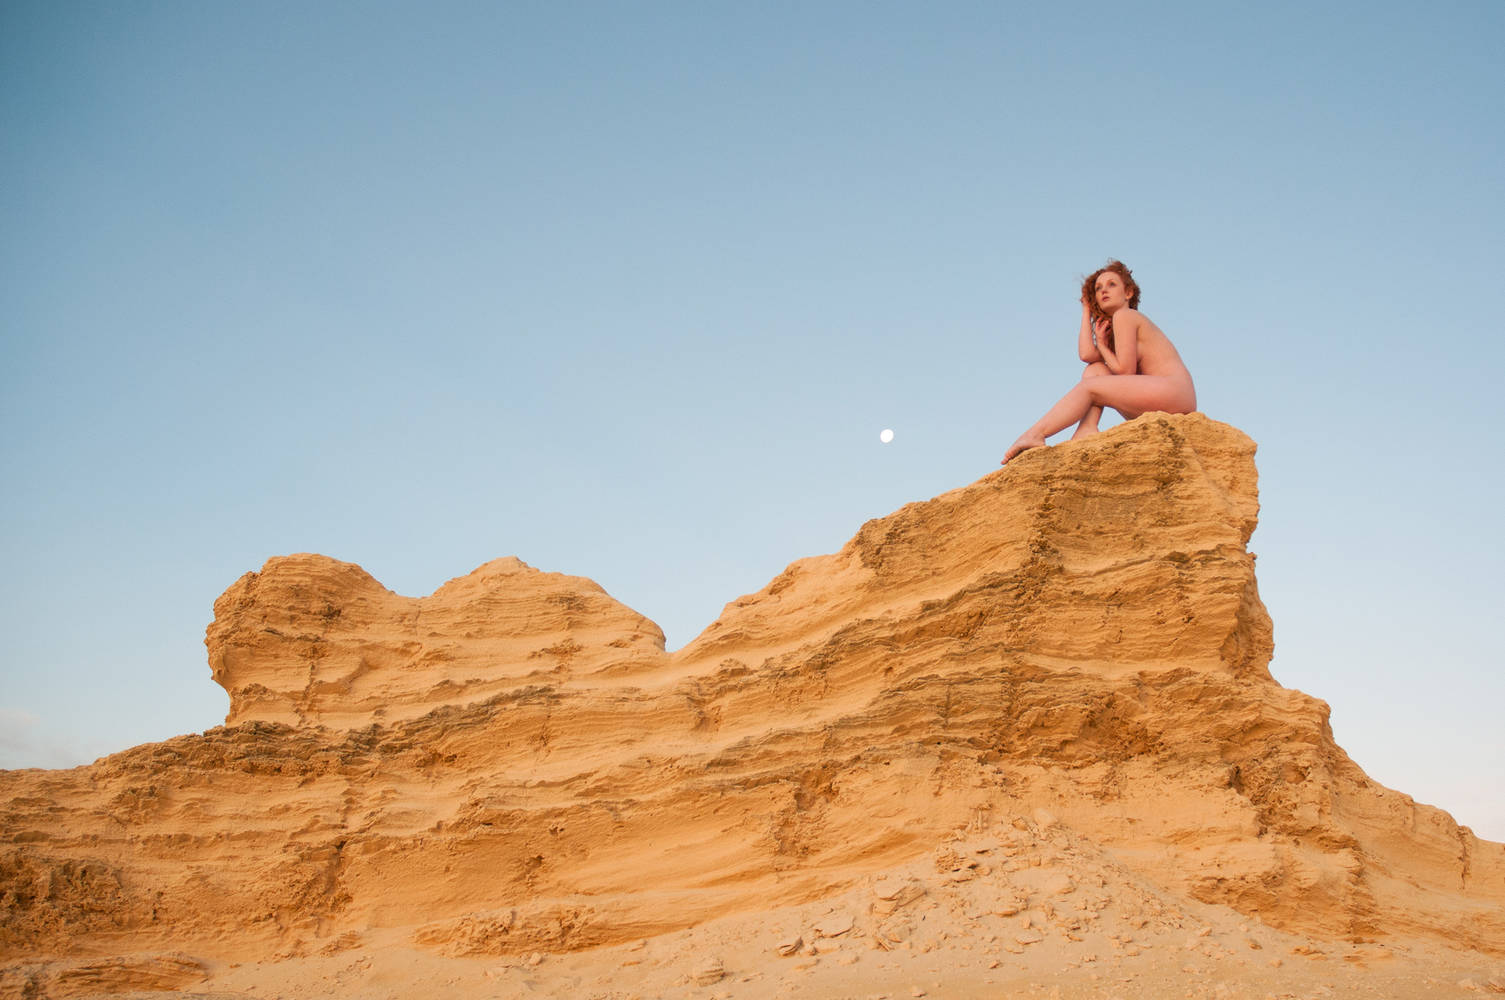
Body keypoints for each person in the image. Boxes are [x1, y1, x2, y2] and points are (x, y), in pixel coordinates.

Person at [1002, 261, 1196, 464]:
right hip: (1158, 397)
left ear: (1128, 292)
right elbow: (1086, 355)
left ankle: (1036, 433)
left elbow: (1125, 371)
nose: (1104, 291)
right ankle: (1086, 429)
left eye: (1112, 284)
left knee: (1090, 388)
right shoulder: (1119, 324)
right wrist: (1086, 309)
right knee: (1095, 371)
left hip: (1174, 392)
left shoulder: (1126, 316)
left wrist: (1102, 346)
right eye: (1098, 289)